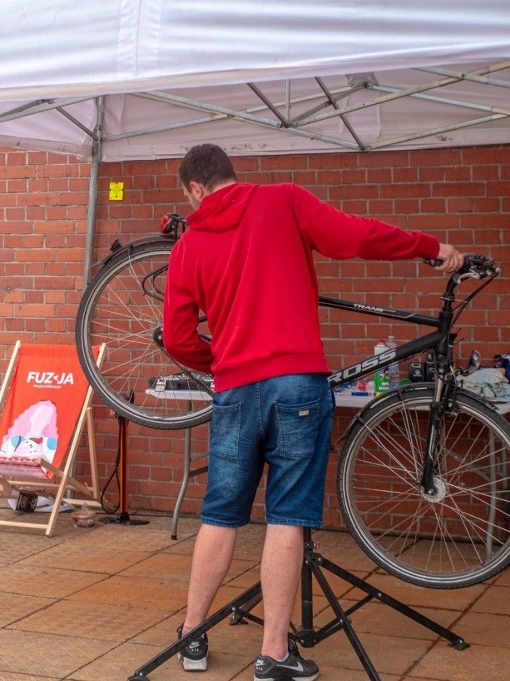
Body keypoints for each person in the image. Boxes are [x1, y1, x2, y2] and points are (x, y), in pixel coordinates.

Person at [162, 144, 463, 680]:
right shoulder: (284, 201)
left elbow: (181, 338)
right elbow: (357, 236)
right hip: (298, 384)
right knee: (288, 517)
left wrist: (222, 362)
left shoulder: (187, 248)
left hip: (234, 390)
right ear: (232, 174)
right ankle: (273, 653)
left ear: (194, 189)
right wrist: (428, 246)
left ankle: (191, 636)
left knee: (220, 513)